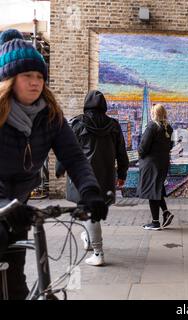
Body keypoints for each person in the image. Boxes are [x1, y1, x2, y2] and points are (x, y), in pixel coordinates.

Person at [0, 29, 108, 299]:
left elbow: (74, 156)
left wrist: (90, 192)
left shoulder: (50, 115)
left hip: (19, 202)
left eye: (39, 76)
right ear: (9, 79)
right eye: (27, 75)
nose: (35, 82)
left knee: (15, 280)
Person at [56, 90, 129, 266]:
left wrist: (60, 168)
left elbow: (65, 149)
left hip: (83, 176)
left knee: (89, 212)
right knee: (91, 210)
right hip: (105, 175)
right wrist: (122, 175)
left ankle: (98, 252)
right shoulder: (114, 125)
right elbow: (121, 153)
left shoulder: (77, 123)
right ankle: (89, 239)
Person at [138, 104, 174, 230]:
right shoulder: (168, 128)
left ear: (154, 113)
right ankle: (165, 212)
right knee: (157, 189)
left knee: (152, 191)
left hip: (151, 164)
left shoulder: (152, 127)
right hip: (162, 163)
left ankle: (155, 222)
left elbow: (143, 147)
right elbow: (170, 146)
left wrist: (140, 154)